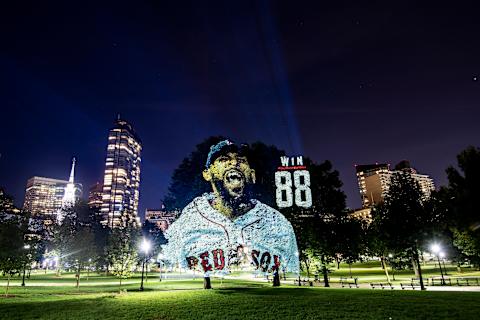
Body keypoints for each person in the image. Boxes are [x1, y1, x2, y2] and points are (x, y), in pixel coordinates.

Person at [163, 139, 299, 280]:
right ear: (207, 173)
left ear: (252, 175)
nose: (234, 163)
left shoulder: (277, 223)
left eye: (241, 160)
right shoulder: (189, 220)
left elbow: (292, 267)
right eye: (223, 159)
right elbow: (171, 259)